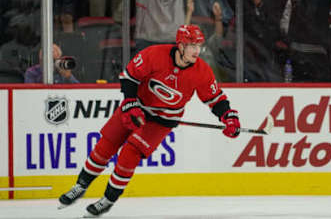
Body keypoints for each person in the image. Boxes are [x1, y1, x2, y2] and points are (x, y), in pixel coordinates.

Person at [57, 25, 241, 217]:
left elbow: (215, 99)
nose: (197, 51)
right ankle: (80, 186)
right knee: (106, 145)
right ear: (180, 45)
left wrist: (229, 116)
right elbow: (130, 76)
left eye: (198, 46)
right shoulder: (154, 54)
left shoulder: (201, 71)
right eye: (191, 45)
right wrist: (129, 102)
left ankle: (108, 199)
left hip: (162, 120)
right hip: (137, 107)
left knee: (130, 153)